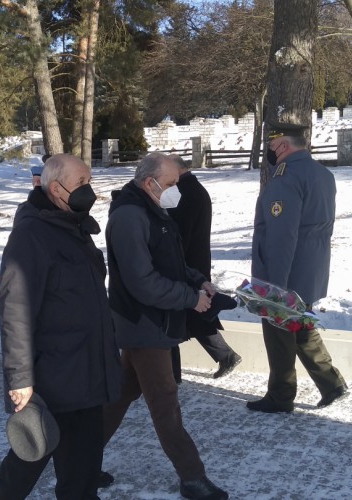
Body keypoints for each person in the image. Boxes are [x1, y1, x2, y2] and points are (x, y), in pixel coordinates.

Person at [0, 154, 121, 499]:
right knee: (24, 466)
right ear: (55, 188)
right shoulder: (32, 235)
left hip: (88, 376)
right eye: (81, 184)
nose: (88, 191)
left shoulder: (75, 228)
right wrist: (20, 379)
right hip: (54, 380)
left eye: (90, 182)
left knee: (82, 475)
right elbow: (15, 311)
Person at [103, 152, 228, 500]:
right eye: (171, 183)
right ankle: (193, 477)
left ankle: (81, 458)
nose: (175, 190)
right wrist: (189, 298)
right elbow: (142, 281)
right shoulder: (130, 216)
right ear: (149, 181)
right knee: (165, 403)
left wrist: (198, 281)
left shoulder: (150, 208)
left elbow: (171, 260)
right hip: (144, 324)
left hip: (153, 322)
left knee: (123, 393)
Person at [247, 124, 348, 414]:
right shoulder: (322, 173)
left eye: (271, 144)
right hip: (310, 269)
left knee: (279, 334)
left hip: (285, 273)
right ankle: (331, 384)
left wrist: (274, 288)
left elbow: (282, 235)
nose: (268, 151)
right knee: (302, 327)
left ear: (281, 146)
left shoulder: (285, 177)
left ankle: (280, 396)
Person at [166, 155, 242, 381]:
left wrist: (177, 263)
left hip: (188, 264)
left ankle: (173, 373)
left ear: (177, 170)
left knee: (188, 314)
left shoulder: (185, 192)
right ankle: (225, 355)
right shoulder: (193, 189)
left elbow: (180, 233)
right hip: (195, 262)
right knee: (196, 314)